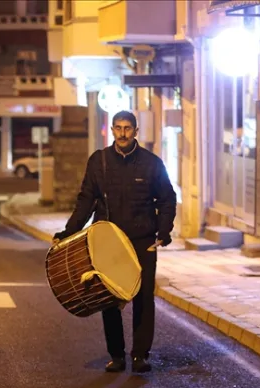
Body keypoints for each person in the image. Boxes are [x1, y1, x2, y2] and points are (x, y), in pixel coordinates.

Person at [52, 110, 176, 374]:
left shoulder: (151, 163)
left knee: (144, 298)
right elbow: (86, 199)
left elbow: (167, 198)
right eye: (118, 128)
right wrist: (68, 231)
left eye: (127, 128)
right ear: (111, 130)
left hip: (142, 240)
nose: (122, 133)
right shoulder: (99, 161)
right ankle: (117, 356)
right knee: (108, 298)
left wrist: (163, 232)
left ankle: (140, 355)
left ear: (135, 131)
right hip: (108, 242)